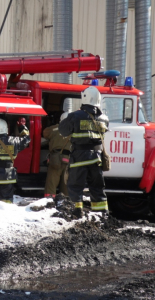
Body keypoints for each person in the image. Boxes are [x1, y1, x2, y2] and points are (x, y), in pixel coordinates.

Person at [58, 86, 109, 217]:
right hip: (97, 158)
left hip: (79, 157)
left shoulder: (75, 116)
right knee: (97, 187)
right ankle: (102, 214)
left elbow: (63, 130)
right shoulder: (104, 118)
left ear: (84, 98)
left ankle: (77, 212)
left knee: (75, 185)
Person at [43, 112, 71, 198]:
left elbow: (44, 133)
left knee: (51, 183)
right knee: (66, 184)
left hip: (56, 159)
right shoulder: (74, 130)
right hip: (69, 160)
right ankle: (65, 202)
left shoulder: (54, 129)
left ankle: (49, 201)